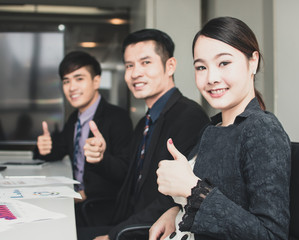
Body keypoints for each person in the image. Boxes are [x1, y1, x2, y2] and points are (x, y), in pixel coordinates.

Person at [149, 16, 291, 240]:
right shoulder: (213, 126)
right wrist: (175, 210)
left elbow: (271, 235)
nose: (211, 77)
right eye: (201, 67)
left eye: (224, 63)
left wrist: (194, 190)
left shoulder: (261, 129)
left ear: (252, 62)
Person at [80, 29, 209, 240]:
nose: (135, 73)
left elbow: (172, 199)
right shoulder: (144, 122)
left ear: (170, 66)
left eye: (145, 62)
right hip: (125, 221)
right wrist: (102, 159)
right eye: (129, 65)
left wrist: (112, 236)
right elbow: (128, 175)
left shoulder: (189, 117)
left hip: (148, 230)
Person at [33, 51, 133, 227]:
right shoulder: (74, 119)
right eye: (66, 81)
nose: (71, 87)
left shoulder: (117, 117)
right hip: (75, 200)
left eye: (79, 78)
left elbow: (125, 173)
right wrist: (43, 148)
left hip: (100, 209)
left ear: (96, 81)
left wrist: (100, 159)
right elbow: (58, 150)